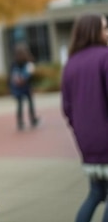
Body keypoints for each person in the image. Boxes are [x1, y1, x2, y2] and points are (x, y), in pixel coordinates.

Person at [61, 13, 108, 222]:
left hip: (86, 142)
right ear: (94, 31)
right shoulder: (105, 56)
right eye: (105, 28)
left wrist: (81, 128)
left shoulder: (71, 63)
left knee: (96, 193)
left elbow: (67, 108)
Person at [8, 43, 40, 130]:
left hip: (18, 87)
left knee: (20, 104)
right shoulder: (28, 63)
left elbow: (10, 76)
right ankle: (32, 119)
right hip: (25, 87)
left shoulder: (14, 63)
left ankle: (20, 121)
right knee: (29, 103)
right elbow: (31, 76)